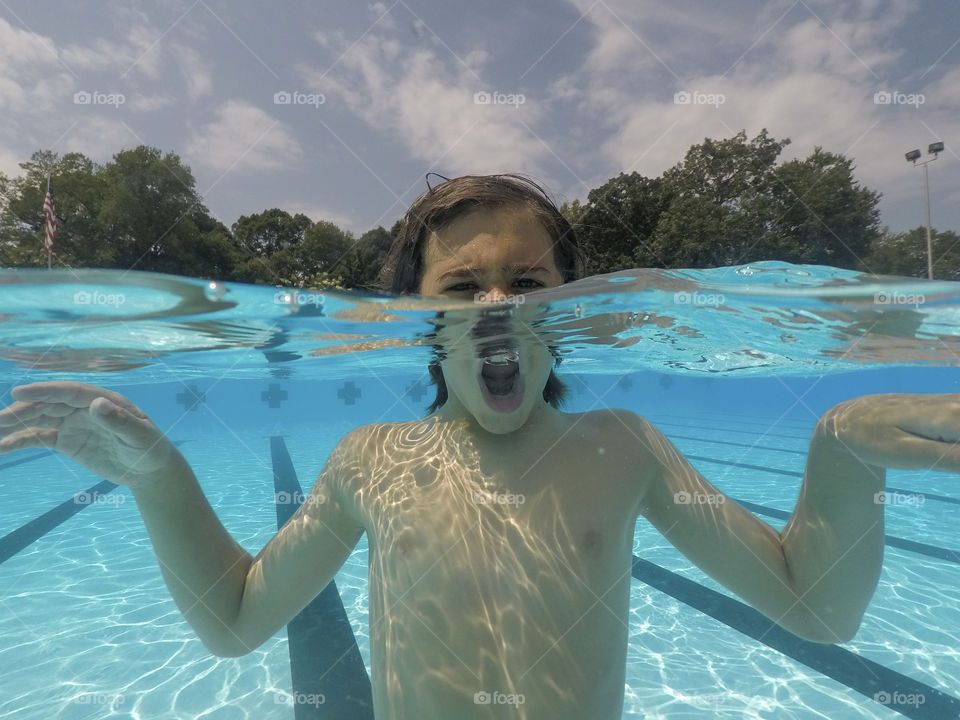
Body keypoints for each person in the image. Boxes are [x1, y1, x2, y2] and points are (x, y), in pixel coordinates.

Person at [1, 174, 958, 720]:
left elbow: (814, 608)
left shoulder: (621, 448)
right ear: (418, 319)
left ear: (567, 308)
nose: (497, 308)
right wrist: (160, 480)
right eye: (462, 288)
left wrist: (842, 453)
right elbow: (238, 621)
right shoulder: (371, 459)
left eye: (528, 283)